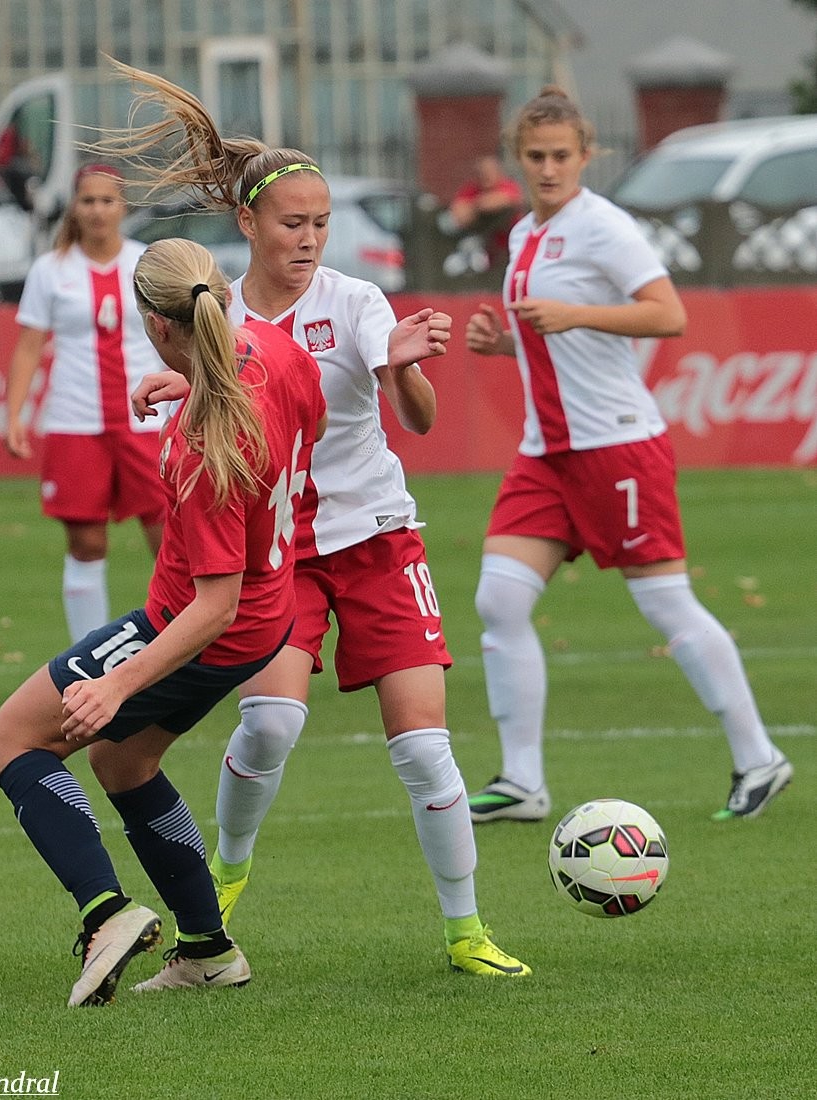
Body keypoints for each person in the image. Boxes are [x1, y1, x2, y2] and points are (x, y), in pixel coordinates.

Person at [88, 62, 531, 981]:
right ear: (246, 224)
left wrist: (404, 365)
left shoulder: (356, 302)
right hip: (279, 561)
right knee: (270, 731)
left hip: (376, 542)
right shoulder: (218, 310)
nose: (312, 239)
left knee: (422, 748)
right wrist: (180, 388)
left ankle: (466, 930)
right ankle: (230, 871)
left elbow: (417, 421)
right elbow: (229, 402)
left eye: (322, 223)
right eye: (295, 223)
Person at [0, 237, 327, 1006]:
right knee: (123, 763)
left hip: (200, 627)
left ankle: (105, 913)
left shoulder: (207, 443)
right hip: (272, 614)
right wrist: (193, 381)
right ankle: (207, 948)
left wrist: (120, 683)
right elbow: (306, 420)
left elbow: (214, 603)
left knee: (13, 738)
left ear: (154, 323)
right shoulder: (273, 348)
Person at [464, 86, 793, 825]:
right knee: (499, 600)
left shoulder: (604, 227)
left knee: (665, 602)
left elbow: (668, 314)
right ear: (520, 159)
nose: (549, 169)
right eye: (536, 156)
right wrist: (505, 341)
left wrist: (574, 313)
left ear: (586, 156)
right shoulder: (524, 234)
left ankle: (758, 756)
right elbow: (549, 332)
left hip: (615, 443)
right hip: (546, 451)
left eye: (562, 156)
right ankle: (522, 782)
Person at [5, 164, 168, 644]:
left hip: (147, 420)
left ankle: (182, 647)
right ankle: (88, 654)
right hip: (76, 421)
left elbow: (177, 339)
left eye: (108, 201)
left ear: (124, 207)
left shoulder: (149, 263)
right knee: (86, 542)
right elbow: (30, 346)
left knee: (169, 538)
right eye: (88, 201)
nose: (98, 211)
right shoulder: (50, 270)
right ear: (74, 207)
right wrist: (14, 414)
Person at [448, 154, 525, 266]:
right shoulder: (471, 189)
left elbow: (505, 201)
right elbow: (458, 214)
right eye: (482, 173)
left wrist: (475, 206)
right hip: (482, 243)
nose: (485, 176)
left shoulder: (508, 186)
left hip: (510, 244)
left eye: (489, 172)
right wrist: (479, 205)